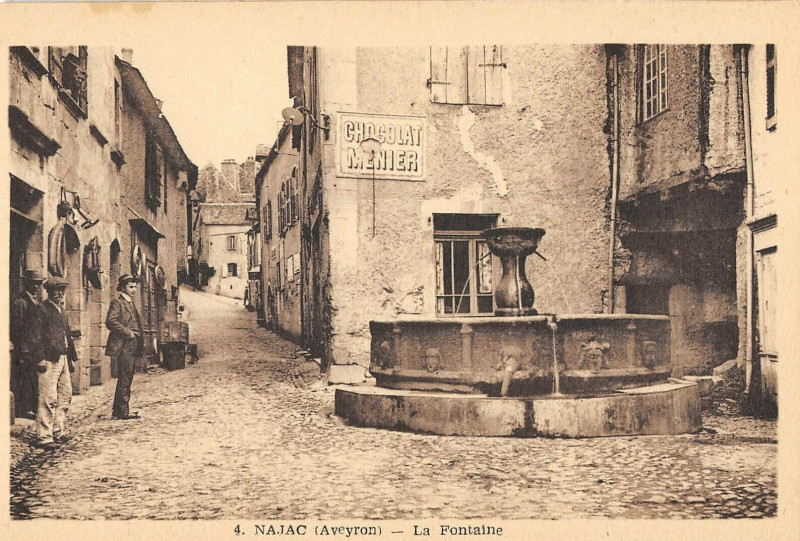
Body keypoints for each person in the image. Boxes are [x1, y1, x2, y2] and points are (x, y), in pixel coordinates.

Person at [37, 277, 76, 450]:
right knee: (48, 398)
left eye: (62, 290)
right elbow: (35, 337)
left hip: (62, 358)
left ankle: (58, 430)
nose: (60, 293)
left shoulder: (61, 311)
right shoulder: (41, 310)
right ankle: (44, 437)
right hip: (48, 359)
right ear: (48, 291)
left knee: (65, 394)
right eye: (56, 290)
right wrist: (40, 358)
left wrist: (70, 358)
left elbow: (67, 336)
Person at [105, 274, 143, 420]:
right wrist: (128, 333)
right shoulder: (117, 303)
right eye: (131, 287)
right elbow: (110, 321)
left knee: (127, 377)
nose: (134, 290)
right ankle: (123, 411)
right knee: (125, 378)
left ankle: (118, 410)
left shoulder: (131, 304)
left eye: (135, 287)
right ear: (123, 287)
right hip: (123, 345)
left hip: (132, 345)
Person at [10, 269, 45, 419]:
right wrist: (23, 349)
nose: (36, 287)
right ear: (26, 284)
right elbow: (17, 328)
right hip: (24, 348)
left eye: (38, 284)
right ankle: (23, 409)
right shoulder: (21, 302)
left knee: (32, 377)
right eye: (33, 284)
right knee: (24, 377)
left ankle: (31, 406)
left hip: (34, 347)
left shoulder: (36, 301)